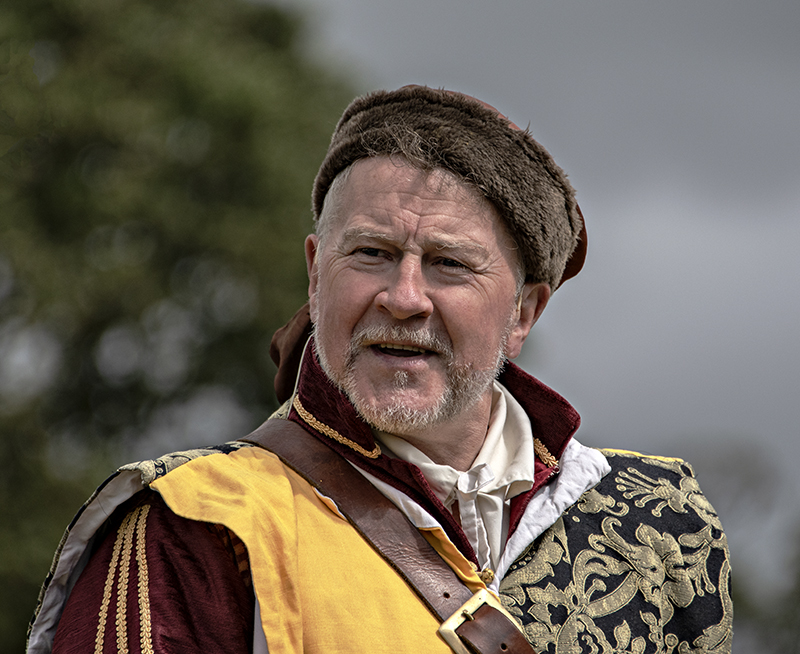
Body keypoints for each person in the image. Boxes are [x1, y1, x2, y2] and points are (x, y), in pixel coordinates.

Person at [27, 86, 732, 654]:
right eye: (371, 253)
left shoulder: (659, 523)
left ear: (524, 312)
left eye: (449, 264)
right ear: (315, 273)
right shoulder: (197, 524)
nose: (403, 297)